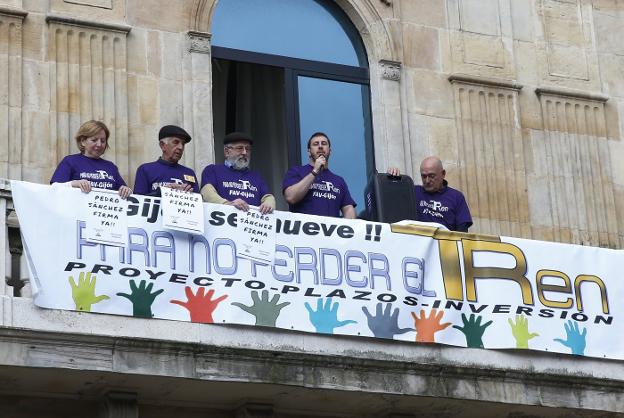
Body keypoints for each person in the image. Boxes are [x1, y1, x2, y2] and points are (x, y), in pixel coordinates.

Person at [50, 120, 132, 198]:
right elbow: (54, 188)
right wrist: (74, 184)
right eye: (94, 140)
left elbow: (124, 191)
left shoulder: (111, 167)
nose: (99, 144)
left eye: (103, 141)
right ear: (83, 141)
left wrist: (126, 190)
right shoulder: (70, 161)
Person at [282, 132, 356, 219]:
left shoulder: (339, 181)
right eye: (316, 144)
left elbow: (348, 209)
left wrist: (347, 229)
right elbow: (291, 197)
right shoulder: (296, 171)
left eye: (324, 144)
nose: (320, 146)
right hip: (304, 231)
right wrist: (314, 172)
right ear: (309, 152)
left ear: (330, 151)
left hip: (329, 232)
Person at [200, 132, 275, 214]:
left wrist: (268, 204)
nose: (244, 153)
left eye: (248, 149)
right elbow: (207, 193)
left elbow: (268, 197)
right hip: (223, 222)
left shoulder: (256, 176)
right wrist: (229, 205)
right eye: (240, 148)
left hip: (250, 224)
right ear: (227, 152)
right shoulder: (212, 170)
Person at [411, 156, 472, 232]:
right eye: (424, 176)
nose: (427, 181)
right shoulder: (413, 192)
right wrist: (393, 177)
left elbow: (462, 232)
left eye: (431, 176)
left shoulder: (456, 197)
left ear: (443, 174)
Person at [134, 125, 199, 196]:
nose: (181, 147)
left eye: (183, 144)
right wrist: (163, 192)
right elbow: (138, 201)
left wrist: (187, 195)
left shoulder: (189, 173)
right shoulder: (145, 169)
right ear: (162, 145)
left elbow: (199, 202)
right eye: (176, 142)